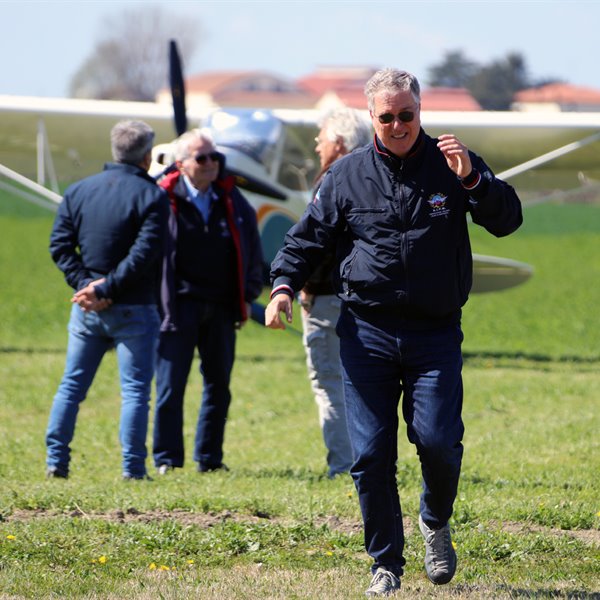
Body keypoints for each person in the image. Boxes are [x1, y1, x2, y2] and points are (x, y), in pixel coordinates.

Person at [265, 68, 523, 596]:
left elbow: (507, 220)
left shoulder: (454, 164)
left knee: (438, 442)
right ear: (372, 118)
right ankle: (386, 563)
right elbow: (306, 239)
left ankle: (434, 519)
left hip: (434, 334)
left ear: (420, 112)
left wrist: (474, 179)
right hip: (366, 333)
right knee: (370, 454)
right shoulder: (344, 176)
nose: (399, 124)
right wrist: (283, 286)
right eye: (388, 117)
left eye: (408, 114)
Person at [46, 120, 169, 481]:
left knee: (71, 386)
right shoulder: (152, 196)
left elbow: (60, 246)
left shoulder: (78, 191)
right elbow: (144, 253)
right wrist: (107, 288)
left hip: (85, 309)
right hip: (134, 306)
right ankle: (132, 468)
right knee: (134, 392)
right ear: (147, 156)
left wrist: (87, 286)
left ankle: (56, 461)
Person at [153, 128, 263, 475]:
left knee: (219, 385)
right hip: (178, 306)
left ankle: (209, 459)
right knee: (171, 385)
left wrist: (247, 293)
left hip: (221, 306)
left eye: (215, 157)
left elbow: (251, 244)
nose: (211, 164)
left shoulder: (230, 198)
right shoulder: (162, 198)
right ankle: (167, 459)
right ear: (182, 164)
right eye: (202, 157)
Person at [299, 108, 371, 478]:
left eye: (322, 137)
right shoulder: (373, 175)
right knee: (360, 385)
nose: (317, 145)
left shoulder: (332, 180)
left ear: (339, 142)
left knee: (329, 384)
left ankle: (342, 466)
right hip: (363, 301)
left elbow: (316, 243)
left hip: (327, 300)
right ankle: (369, 462)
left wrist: (305, 287)